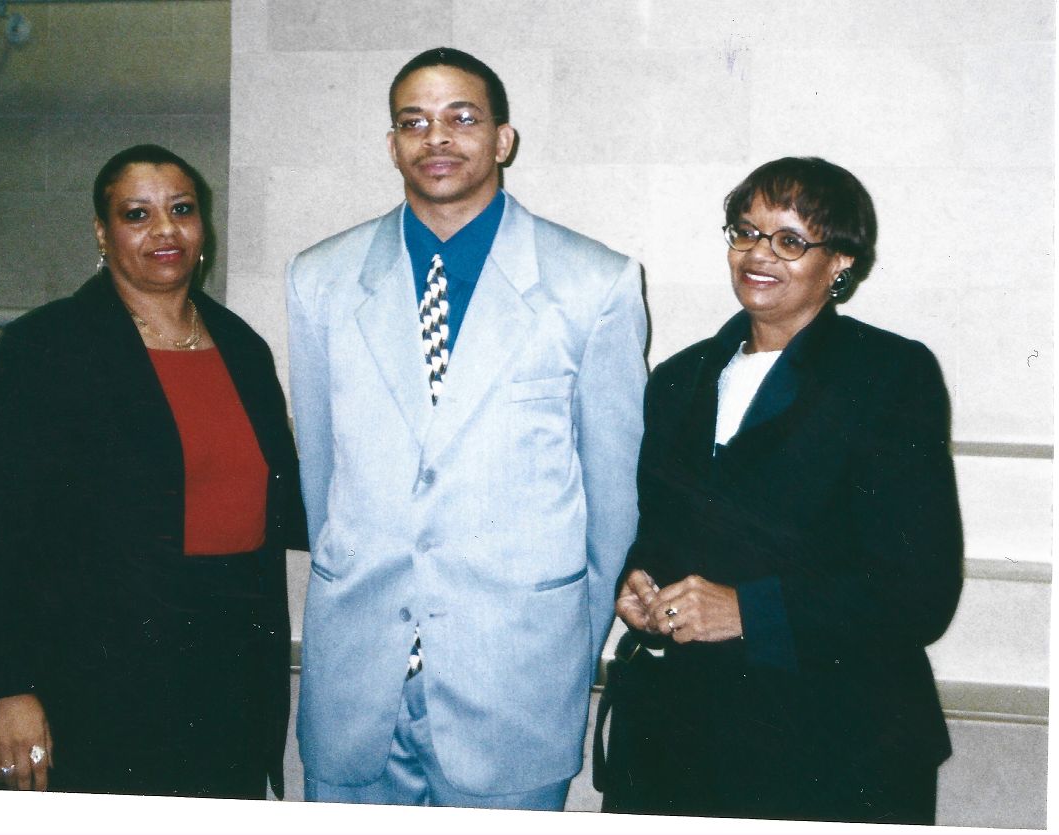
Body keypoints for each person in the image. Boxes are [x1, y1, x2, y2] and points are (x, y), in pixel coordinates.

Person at [286, 47, 648, 810]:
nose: (437, 138)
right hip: (357, 671)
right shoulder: (319, 278)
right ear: (392, 146)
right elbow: (321, 477)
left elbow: (615, 502)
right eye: (414, 122)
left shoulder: (594, 282)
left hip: (514, 675)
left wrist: (564, 652)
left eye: (462, 117)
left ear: (503, 139)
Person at [0, 144, 305, 798]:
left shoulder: (242, 348)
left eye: (182, 210)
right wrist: (7, 683)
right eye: (137, 214)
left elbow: (279, 502)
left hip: (223, 678)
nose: (165, 230)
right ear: (103, 234)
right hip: (88, 678)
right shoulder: (47, 347)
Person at [611, 157, 962, 824]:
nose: (758, 254)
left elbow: (921, 593)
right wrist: (639, 590)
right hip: (678, 741)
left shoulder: (888, 374)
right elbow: (658, 532)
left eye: (790, 240)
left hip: (834, 744)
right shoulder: (678, 378)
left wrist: (750, 611)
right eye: (746, 232)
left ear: (841, 263)